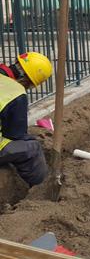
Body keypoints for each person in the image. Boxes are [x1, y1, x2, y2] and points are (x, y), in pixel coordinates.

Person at [0, 52, 52, 187]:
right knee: (32, 148)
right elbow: (15, 135)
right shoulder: (16, 92)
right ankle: (41, 191)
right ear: (27, 80)